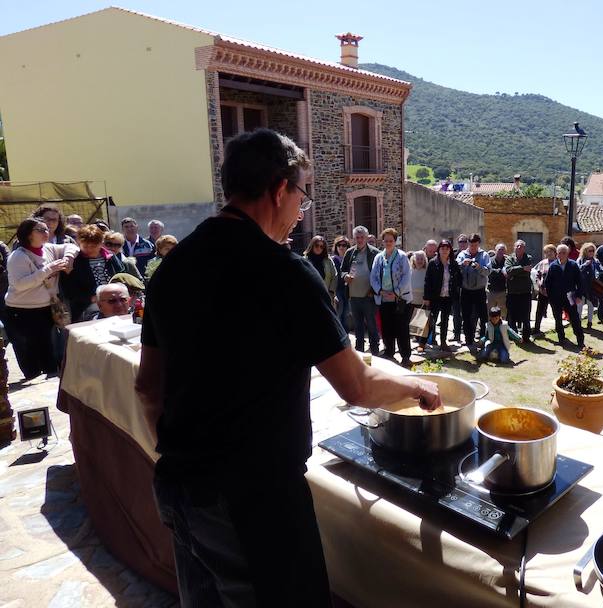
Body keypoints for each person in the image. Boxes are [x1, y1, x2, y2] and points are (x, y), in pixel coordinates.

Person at [136, 129, 440, 607]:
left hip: (178, 488)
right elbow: (357, 387)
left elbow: (148, 388)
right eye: (302, 195)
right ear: (280, 189)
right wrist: (416, 384)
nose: (302, 212)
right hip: (254, 501)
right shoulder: (284, 271)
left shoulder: (173, 267)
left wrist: (188, 457)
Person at [5, 217, 78, 380]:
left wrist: (68, 257)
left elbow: (72, 246)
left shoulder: (49, 248)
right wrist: (48, 269)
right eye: (41, 230)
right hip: (21, 311)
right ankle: (34, 383)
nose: (46, 232)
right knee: (29, 351)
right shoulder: (18, 256)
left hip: (45, 308)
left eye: (47, 229)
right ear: (28, 234)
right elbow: (20, 285)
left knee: (47, 348)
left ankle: (51, 381)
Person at [59, 224, 126, 323]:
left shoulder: (110, 257)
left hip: (114, 304)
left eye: (93, 246)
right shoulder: (75, 262)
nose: (89, 250)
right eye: (85, 246)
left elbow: (122, 277)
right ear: (78, 243)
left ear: (101, 243)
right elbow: (68, 289)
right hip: (86, 309)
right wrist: (90, 299)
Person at [370, 228, 413, 367]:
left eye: (391, 240)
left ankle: (405, 356)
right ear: (382, 241)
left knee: (401, 328)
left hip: (399, 299)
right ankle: (389, 351)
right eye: (386, 240)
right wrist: (380, 290)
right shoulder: (378, 257)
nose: (388, 243)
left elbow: (407, 276)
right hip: (384, 298)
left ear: (395, 241)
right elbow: (373, 277)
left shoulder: (401, 256)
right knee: (387, 327)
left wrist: (396, 292)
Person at [340, 225, 381, 355]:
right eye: (357, 237)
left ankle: (375, 352)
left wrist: (374, 290)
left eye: (362, 237)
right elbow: (342, 270)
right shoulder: (350, 252)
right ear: (354, 238)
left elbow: (381, 274)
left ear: (367, 237)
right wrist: (345, 276)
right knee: (358, 327)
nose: (360, 240)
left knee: (371, 326)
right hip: (354, 296)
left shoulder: (375, 253)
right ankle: (360, 353)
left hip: (369, 296)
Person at [423, 239, 461, 352]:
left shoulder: (454, 264)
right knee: (431, 320)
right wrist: (426, 297)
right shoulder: (433, 263)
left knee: (445, 321)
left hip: (447, 297)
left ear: (450, 250)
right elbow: (427, 281)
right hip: (435, 297)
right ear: (438, 250)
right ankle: (423, 342)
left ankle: (443, 342)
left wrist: (455, 288)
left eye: (447, 248)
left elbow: (459, 279)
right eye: (442, 248)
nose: (444, 250)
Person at [544, 244, 584, 347]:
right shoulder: (553, 266)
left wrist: (579, 296)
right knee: (558, 319)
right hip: (556, 298)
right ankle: (561, 339)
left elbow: (580, 282)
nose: (561, 255)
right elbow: (547, 283)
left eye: (563, 253)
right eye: (559, 253)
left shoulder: (573, 265)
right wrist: (550, 297)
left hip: (570, 297)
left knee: (574, 318)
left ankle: (580, 341)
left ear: (567, 254)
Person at [457, 233, 491, 353]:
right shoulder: (462, 255)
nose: (473, 248)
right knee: (466, 316)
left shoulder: (484, 255)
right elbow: (455, 269)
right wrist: (462, 264)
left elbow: (488, 272)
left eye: (475, 245)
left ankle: (482, 339)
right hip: (466, 291)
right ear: (468, 244)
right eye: (471, 245)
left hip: (480, 291)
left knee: (483, 316)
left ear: (478, 244)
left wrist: (478, 267)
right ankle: (469, 339)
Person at [504, 240, 534, 343]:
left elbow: (527, 272)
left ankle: (526, 337)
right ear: (514, 247)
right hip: (512, 292)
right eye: (517, 246)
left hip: (525, 292)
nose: (519, 248)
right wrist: (522, 269)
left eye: (521, 246)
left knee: (526, 316)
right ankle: (514, 336)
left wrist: (514, 273)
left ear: (524, 248)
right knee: (512, 316)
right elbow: (508, 271)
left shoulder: (528, 258)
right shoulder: (509, 258)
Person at [304, 235, 338, 307]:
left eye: (321, 247)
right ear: (312, 245)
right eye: (316, 245)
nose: (319, 248)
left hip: (326, 294)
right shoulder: (304, 260)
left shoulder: (328, 260)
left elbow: (334, 275)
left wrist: (331, 291)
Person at [531, 244, 556, 337]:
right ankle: (536, 329)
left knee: (555, 311)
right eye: (546, 252)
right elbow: (537, 275)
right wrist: (538, 283)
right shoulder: (542, 263)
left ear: (555, 252)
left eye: (550, 251)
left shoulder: (558, 263)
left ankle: (559, 330)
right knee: (539, 311)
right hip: (543, 291)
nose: (548, 253)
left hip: (554, 292)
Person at [577, 242, 600, 329]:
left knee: (591, 305)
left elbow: (601, 269)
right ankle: (578, 323)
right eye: (590, 250)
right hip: (581, 286)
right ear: (585, 251)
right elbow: (576, 270)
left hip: (591, 287)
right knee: (580, 305)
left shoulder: (595, 261)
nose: (592, 252)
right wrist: (584, 265)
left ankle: (589, 323)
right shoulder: (580, 260)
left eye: (593, 250)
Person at [409, 250, 429, 351]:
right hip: (412, 300)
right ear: (414, 260)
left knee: (424, 324)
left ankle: (422, 344)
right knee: (415, 324)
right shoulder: (410, 270)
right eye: (418, 259)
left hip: (423, 300)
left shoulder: (427, 270)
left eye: (422, 259)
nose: (420, 261)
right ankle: (416, 341)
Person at [331, 236, 351, 332]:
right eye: (339, 245)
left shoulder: (350, 259)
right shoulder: (333, 260)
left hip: (348, 290)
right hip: (337, 290)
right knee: (339, 311)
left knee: (346, 313)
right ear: (336, 247)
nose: (341, 247)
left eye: (344, 245)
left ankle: (344, 334)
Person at [452, 234, 469, 342]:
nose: (462, 244)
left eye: (464, 241)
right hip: (456, 288)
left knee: (467, 312)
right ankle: (456, 334)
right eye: (460, 242)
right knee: (456, 313)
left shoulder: (471, 254)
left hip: (468, 288)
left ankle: (468, 335)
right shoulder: (453, 254)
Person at [487, 243, 508, 318]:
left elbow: (508, 271)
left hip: (503, 291)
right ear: (495, 250)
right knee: (490, 312)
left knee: (503, 313)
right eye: (499, 249)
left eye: (503, 250)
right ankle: (489, 329)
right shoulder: (490, 260)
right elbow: (489, 272)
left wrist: (496, 272)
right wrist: (501, 271)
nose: (501, 251)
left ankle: (502, 329)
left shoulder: (507, 261)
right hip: (491, 291)